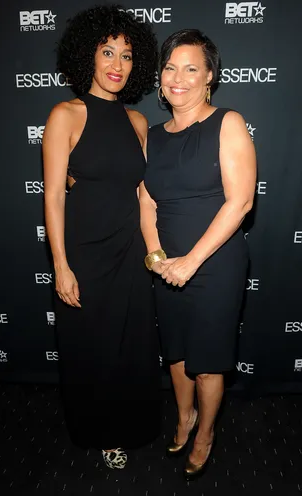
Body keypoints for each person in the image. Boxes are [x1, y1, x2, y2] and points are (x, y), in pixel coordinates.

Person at [42, 5, 160, 470]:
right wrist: (60, 265)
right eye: (107, 52)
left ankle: (132, 426)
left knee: (129, 345)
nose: (116, 64)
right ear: (86, 56)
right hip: (84, 255)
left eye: (127, 55)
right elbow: (53, 196)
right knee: (91, 348)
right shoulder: (65, 114)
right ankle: (99, 431)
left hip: (129, 252)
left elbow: (141, 192)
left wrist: (154, 252)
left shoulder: (137, 123)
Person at [141, 29, 256, 480]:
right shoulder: (152, 135)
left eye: (191, 68)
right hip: (166, 265)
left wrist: (190, 261)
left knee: (207, 362)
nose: (178, 78)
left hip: (215, 266)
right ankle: (184, 417)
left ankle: (205, 432)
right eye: (170, 68)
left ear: (209, 76)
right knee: (176, 356)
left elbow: (241, 201)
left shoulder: (227, 122)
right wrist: (156, 257)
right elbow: (146, 202)